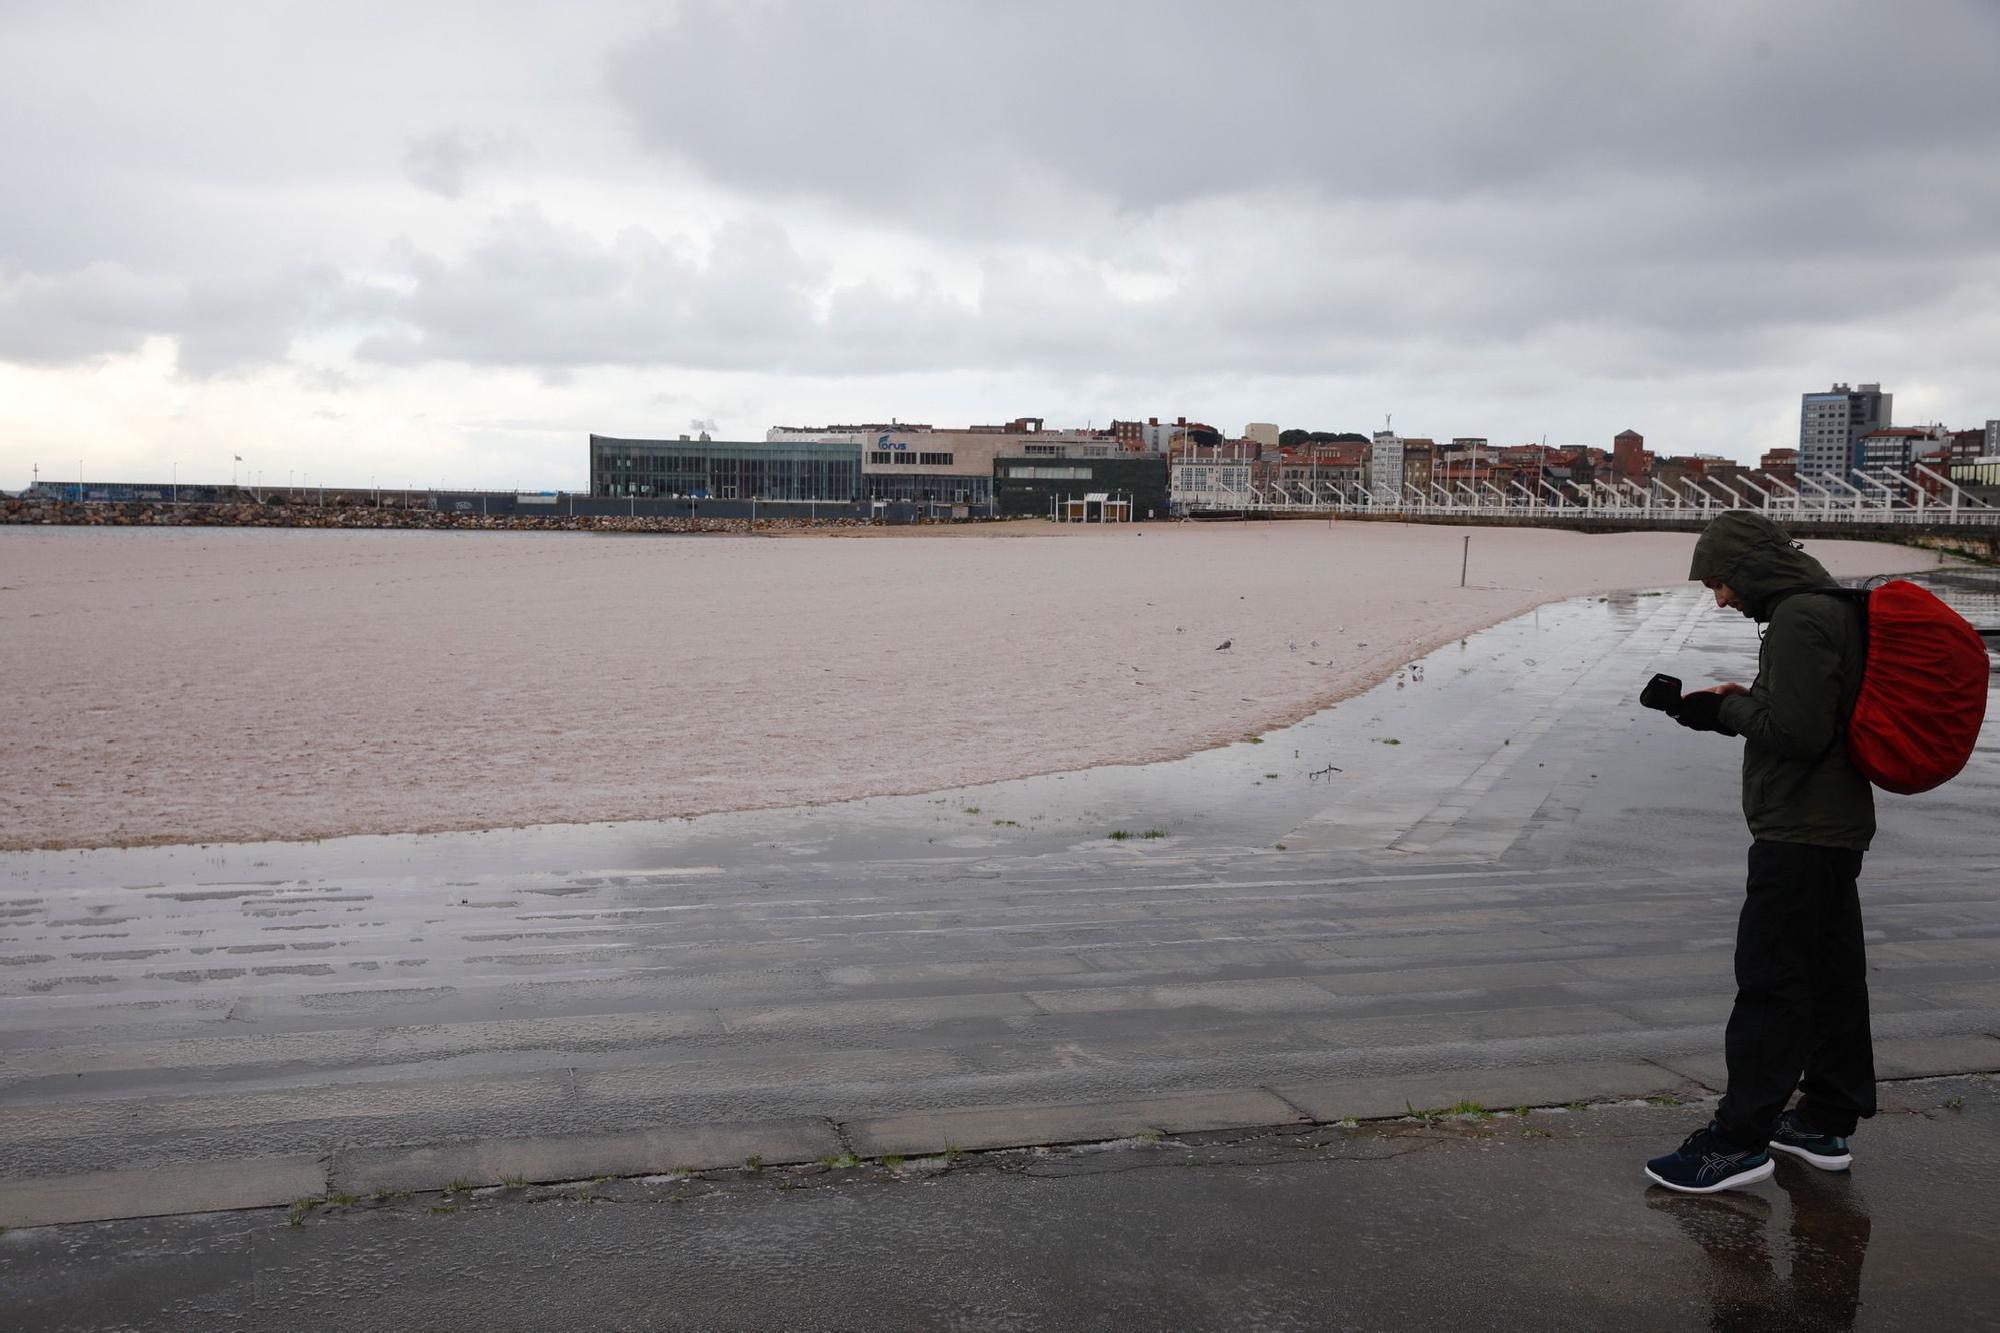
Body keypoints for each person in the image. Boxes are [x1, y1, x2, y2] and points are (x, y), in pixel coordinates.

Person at [1644, 511, 1876, 1194]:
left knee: (1771, 981)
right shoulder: (1829, 605)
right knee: (1833, 975)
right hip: (1832, 823)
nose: (1720, 597)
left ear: (1749, 569)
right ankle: (1825, 1118)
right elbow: (1811, 715)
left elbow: (1797, 734)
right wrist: (1741, 701)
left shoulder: (1802, 617)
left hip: (1800, 828)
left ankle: (1737, 1141)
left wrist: (1727, 710)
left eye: (1721, 582)